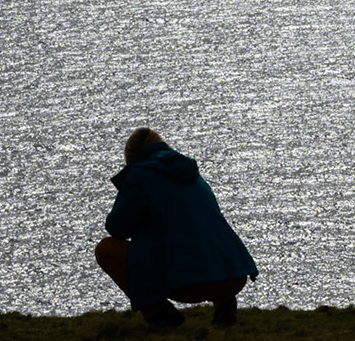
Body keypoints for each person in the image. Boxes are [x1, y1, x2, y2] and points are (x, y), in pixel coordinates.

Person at [94, 127, 259, 329]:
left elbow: (117, 228)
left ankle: (159, 315)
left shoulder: (140, 176)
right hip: (233, 277)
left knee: (106, 249)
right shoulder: (191, 173)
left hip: (188, 285)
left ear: (131, 157)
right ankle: (225, 309)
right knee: (207, 234)